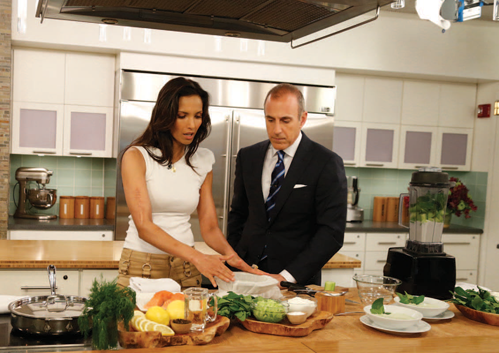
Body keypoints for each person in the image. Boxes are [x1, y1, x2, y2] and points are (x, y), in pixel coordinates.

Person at [117, 77, 262, 289]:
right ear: (165, 116)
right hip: (142, 265)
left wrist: (233, 257)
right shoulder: (137, 156)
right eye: (182, 116)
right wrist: (198, 257)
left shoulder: (203, 160)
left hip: (186, 268)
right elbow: (144, 226)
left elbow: (210, 226)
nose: (192, 125)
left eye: (198, 116)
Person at [227, 83, 347, 286]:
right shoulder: (248, 156)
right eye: (270, 119)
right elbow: (238, 214)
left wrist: (286, 277)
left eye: (285, 120)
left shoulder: (326, 162)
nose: (276, 130)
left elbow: (331, 232)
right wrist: (236, 258)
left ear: (302, 119)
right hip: (245, 274)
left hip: (296, 280)